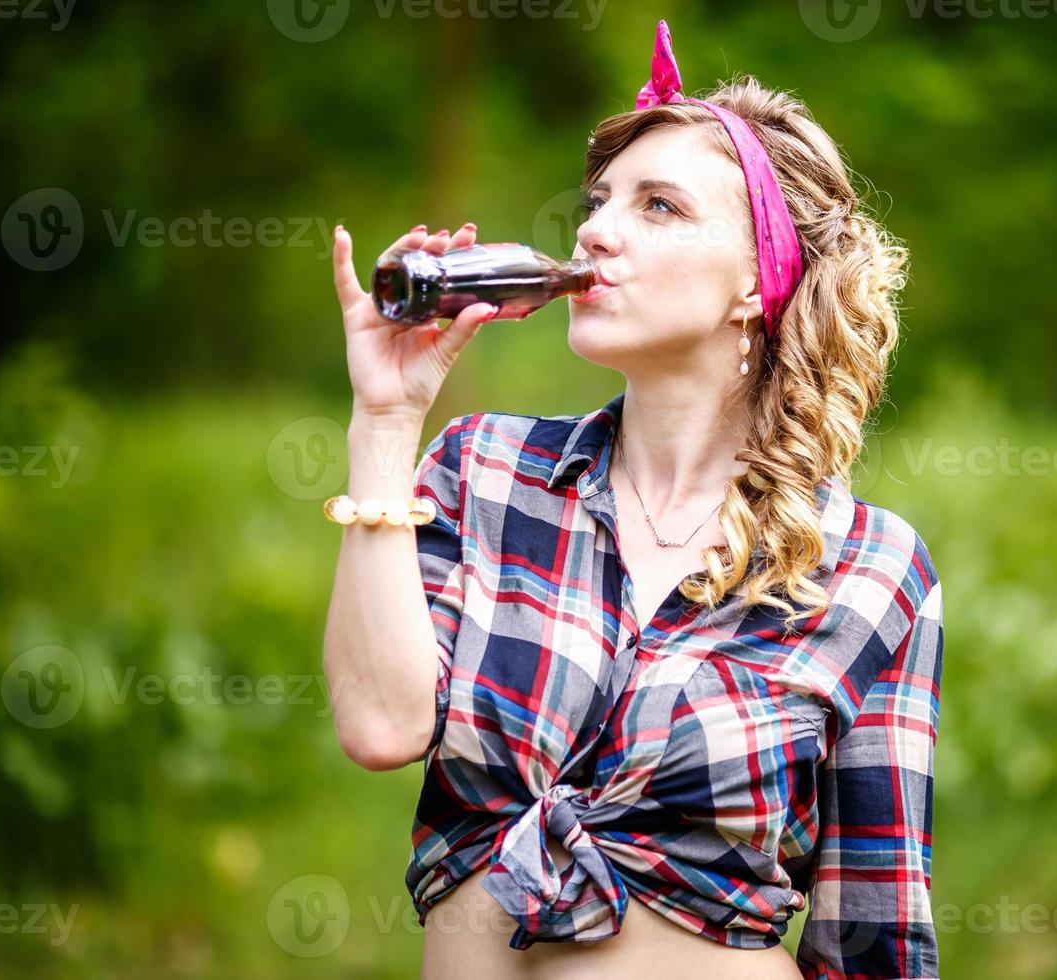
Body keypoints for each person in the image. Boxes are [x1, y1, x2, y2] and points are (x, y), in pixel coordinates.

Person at [322, 20, 942, 980]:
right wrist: (383, 423)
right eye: (600, 200)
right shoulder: (483, 472)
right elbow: (380, 726)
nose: (595, 229)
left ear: (755, 281)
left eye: (659, 207)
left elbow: (874, 927)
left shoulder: (869, 566)